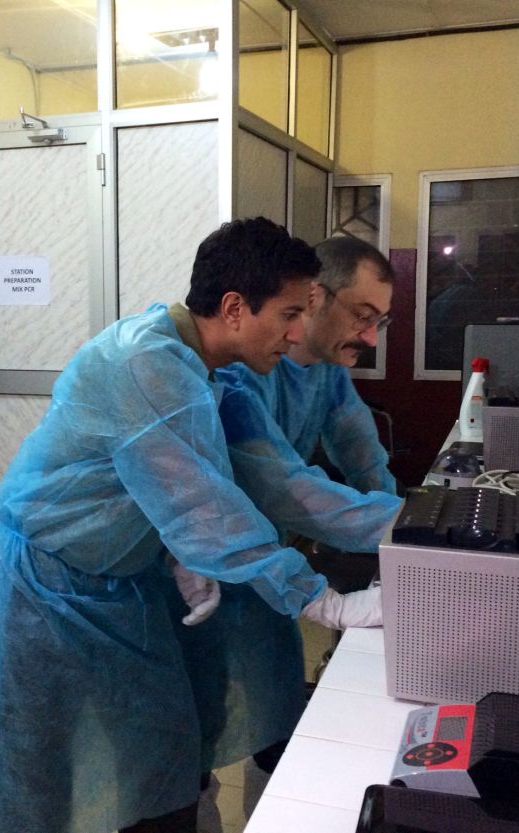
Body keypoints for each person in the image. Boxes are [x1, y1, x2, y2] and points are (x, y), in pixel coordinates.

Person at [0, 218, 387, 833]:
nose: (296, 333)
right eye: (288, 314)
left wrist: (410, 526)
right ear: (234, 308)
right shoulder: (143, 362)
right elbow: (207, 509)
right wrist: (321, 601)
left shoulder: (217, 372)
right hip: (43, 585)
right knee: (34, 772)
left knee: (164, 756)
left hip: (123, 585)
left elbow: (276, 481)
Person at [182, 234, 403, 825]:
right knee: (191, 740)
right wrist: (413, 530)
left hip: (263, 566)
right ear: (314, 297)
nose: (370, 337)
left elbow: (362, 454)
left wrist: (406, 526)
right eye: (363, 317)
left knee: (275, 718)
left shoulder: (322, 373)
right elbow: (285, 488)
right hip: (207, 572)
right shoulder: (237, 372)